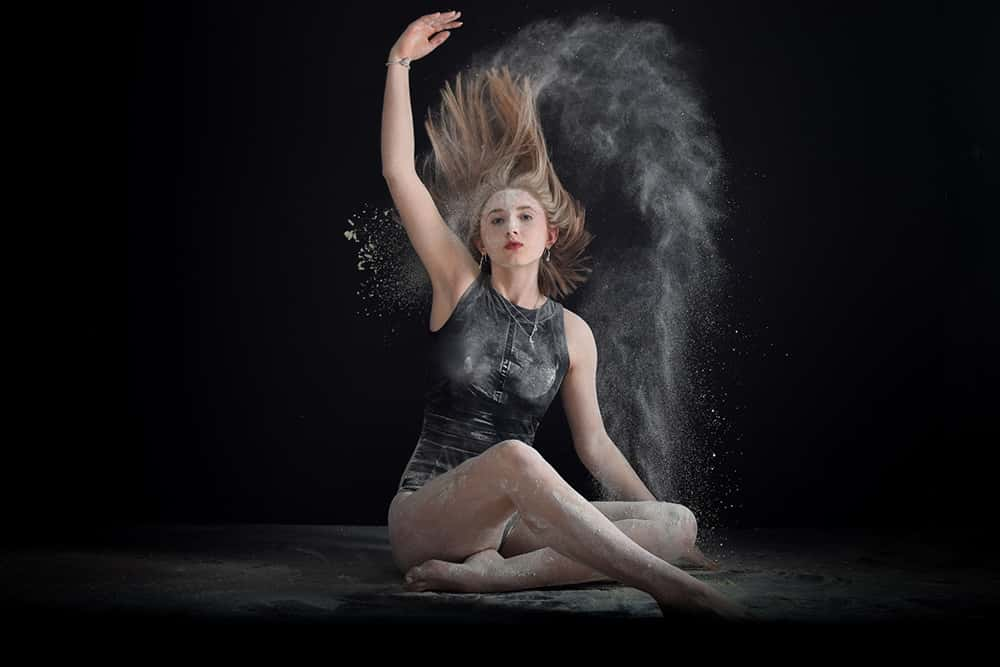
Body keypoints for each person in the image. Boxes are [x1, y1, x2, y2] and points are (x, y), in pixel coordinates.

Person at [381, 10, 752, 621]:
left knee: (677, 523)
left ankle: (493, 581)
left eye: (524, 216)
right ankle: (672, 588)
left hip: (514, 528)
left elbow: (597, 448)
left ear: (549, 234)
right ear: (480, 241)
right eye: (496, 219)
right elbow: (399, 173)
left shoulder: (571, 333)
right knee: (516, 457)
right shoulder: (458, 285)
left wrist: (655, 516)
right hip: (431, 513)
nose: (511, 226)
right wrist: (398, 63)